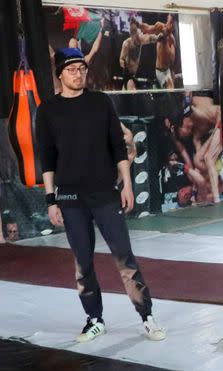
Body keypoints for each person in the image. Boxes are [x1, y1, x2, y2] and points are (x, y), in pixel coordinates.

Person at [36, 48, 166, 342]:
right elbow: (47, 158)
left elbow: (118, 147)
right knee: (83, 263)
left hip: (105, 194)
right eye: (72, 70)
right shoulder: (47, 110)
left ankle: (146, 315)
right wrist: (50, 199)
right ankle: (94, 319)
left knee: (124, 258)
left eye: (82, 69)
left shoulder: (100, 102)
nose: (78, 74)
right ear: (60, 74)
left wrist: (128, 184)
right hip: (70, 199)